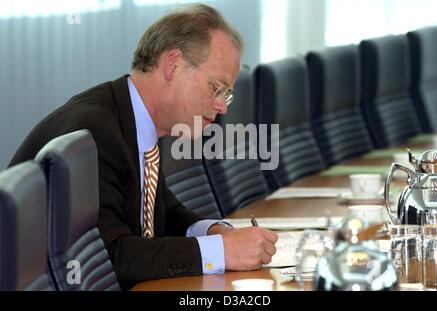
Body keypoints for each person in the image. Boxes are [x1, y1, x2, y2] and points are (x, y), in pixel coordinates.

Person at [9, 4, 278, 289]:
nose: (222, 106)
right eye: (217, 88)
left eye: (227, 94)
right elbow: (112, 257)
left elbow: (165, 210)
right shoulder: (97, 132)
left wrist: (215, 232)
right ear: (173, 64)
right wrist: (221, 253)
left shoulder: (136, 119)